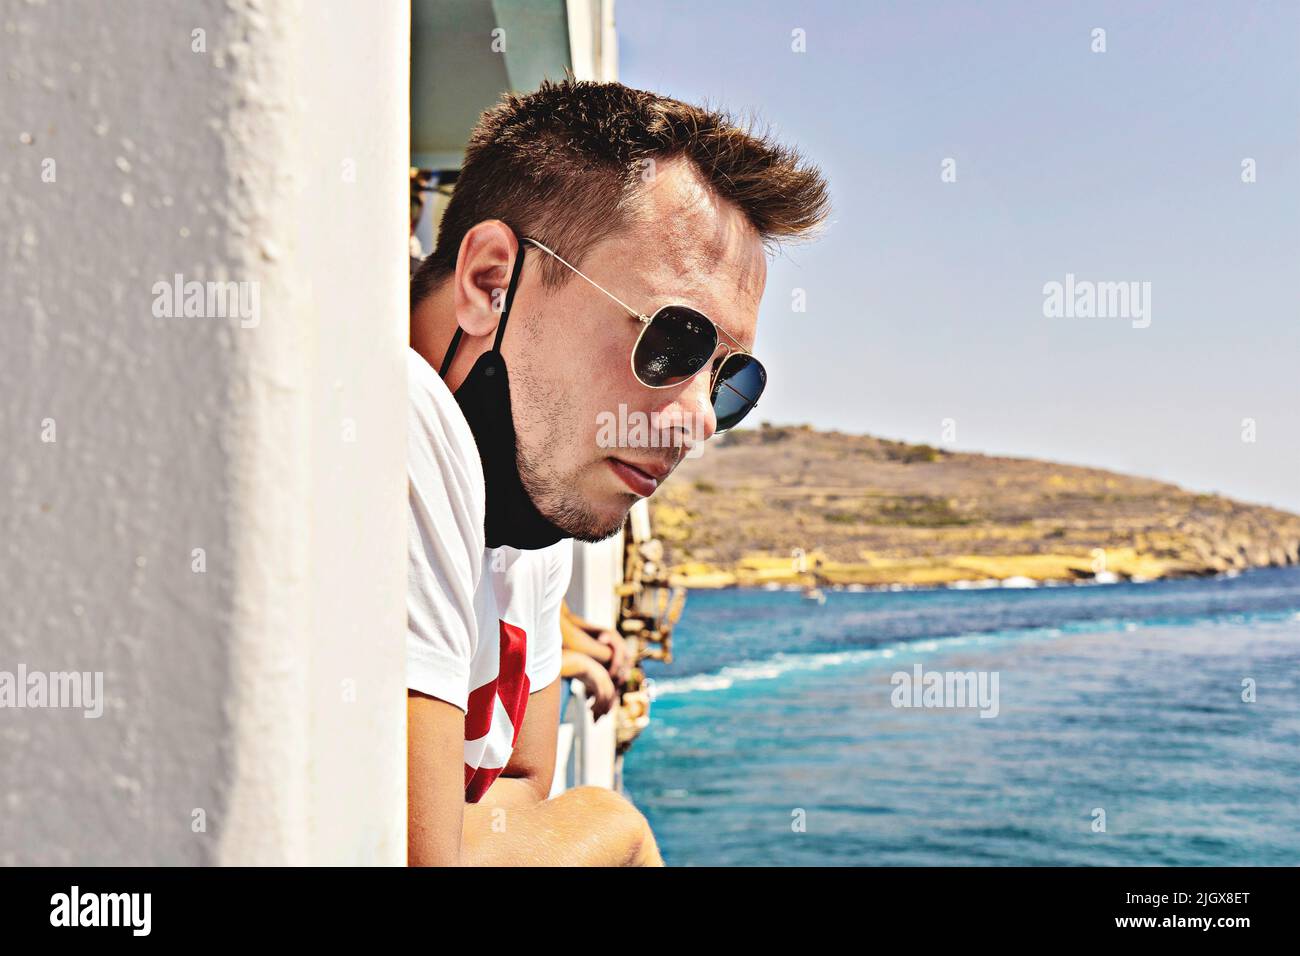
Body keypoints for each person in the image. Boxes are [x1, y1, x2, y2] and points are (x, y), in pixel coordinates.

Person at [406, 77, 829, 866]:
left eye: (730, 376)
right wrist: (614, 824)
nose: (703, 418)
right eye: (674, 342)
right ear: (491, 280)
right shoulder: (402, 422)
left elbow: (524, 785)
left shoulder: (531, 488)